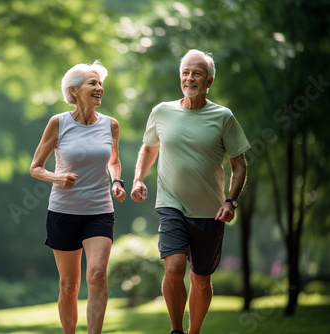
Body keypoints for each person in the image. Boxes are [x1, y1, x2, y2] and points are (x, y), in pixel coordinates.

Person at [131, 49, 250, 334]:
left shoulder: (223, 117)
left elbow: (240, 165)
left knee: (201, 279)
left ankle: (194, 331)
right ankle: (176, 330)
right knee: (173, 269)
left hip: (210, 211)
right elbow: (149, 147)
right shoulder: (162, 111)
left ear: (209, 81)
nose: (189, 78)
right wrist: (138, 179)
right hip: (171, 205)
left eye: (197, 73)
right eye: (185, 72)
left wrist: (231, 201)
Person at [30, 60, 125, 334]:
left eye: (100, 83)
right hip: (63, 212)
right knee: (69, 285)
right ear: (74, 91)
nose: (100, 88)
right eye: (92, 83)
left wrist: (116, 181)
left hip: (99, 212)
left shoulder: (111, 125)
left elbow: (114, 161)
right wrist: (57, 177)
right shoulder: (58, 123)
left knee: (97, 275)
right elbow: (35, 168)